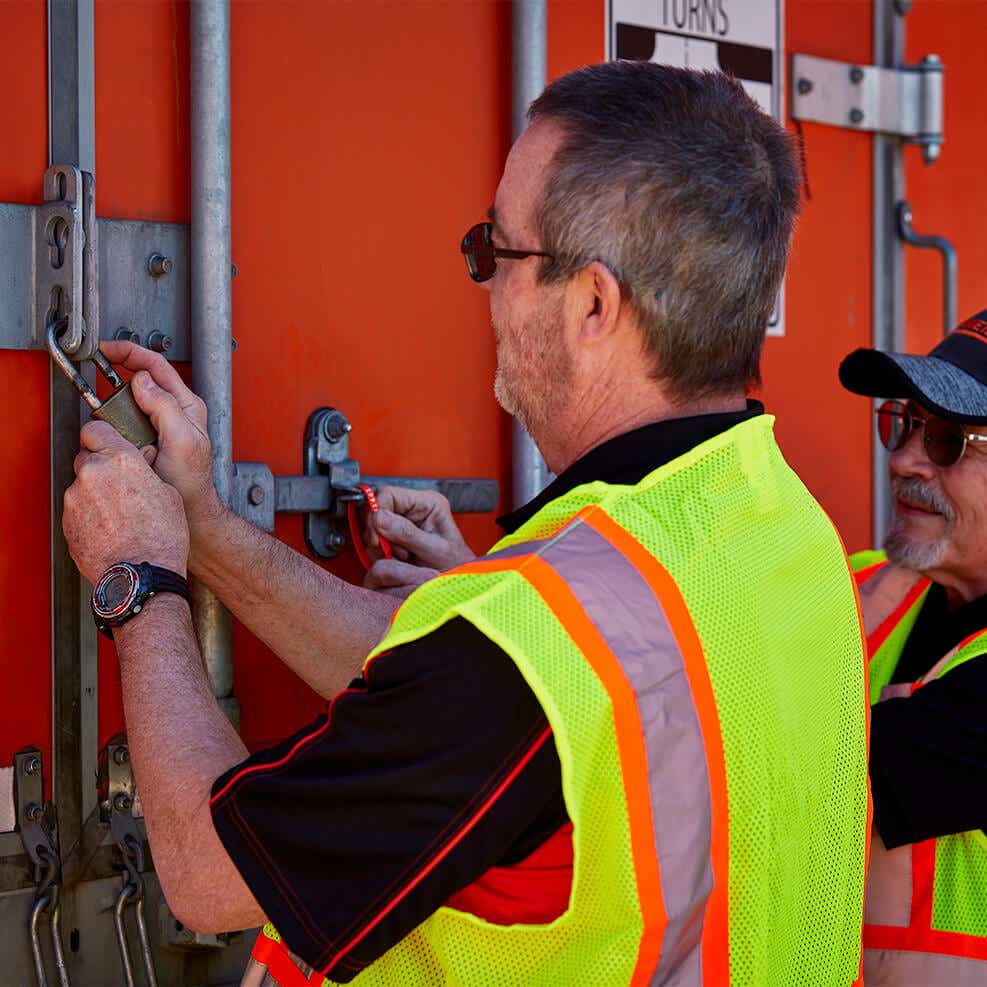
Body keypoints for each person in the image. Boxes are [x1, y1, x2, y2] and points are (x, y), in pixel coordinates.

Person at [62, 62, 869, 986]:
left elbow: (209, 877)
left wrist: (143, 584)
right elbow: (438, 691)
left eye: (495, 251)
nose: (482, 286)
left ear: (593, 305)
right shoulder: (782, 528)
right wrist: (201, 524)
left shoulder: (535, 648)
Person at [840, 312, 987, 985]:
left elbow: (812, 773)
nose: (902, 458)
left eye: (949, 440)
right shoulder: (870, 582)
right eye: (903, 424)